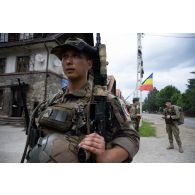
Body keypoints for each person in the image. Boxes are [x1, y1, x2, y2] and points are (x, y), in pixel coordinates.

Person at [27, 37, 140, 163]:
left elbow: (131, 137)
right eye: (65, 57)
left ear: (89, 63)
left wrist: (107, 157)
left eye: (76, 56)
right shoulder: (53, 100)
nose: (69, 61)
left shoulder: (104, 100)